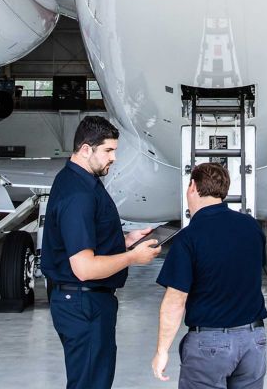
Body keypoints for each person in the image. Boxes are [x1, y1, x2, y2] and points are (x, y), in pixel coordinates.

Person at [41, 115, 161, 389]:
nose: (113, 158)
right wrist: (133, 257)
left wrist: (125, 240)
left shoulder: (77, 180)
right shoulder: (78, 195)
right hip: (84, 304)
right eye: (108, 150)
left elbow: (82, 238)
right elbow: (84, 268)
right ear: (86, 149)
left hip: (83, 301)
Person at [152, 162, 267, 389]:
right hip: (254, 340)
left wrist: (162, 351)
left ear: (193, 187)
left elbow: (176, 301)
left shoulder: (188, 238)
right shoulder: (253, 228)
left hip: (210, 345)